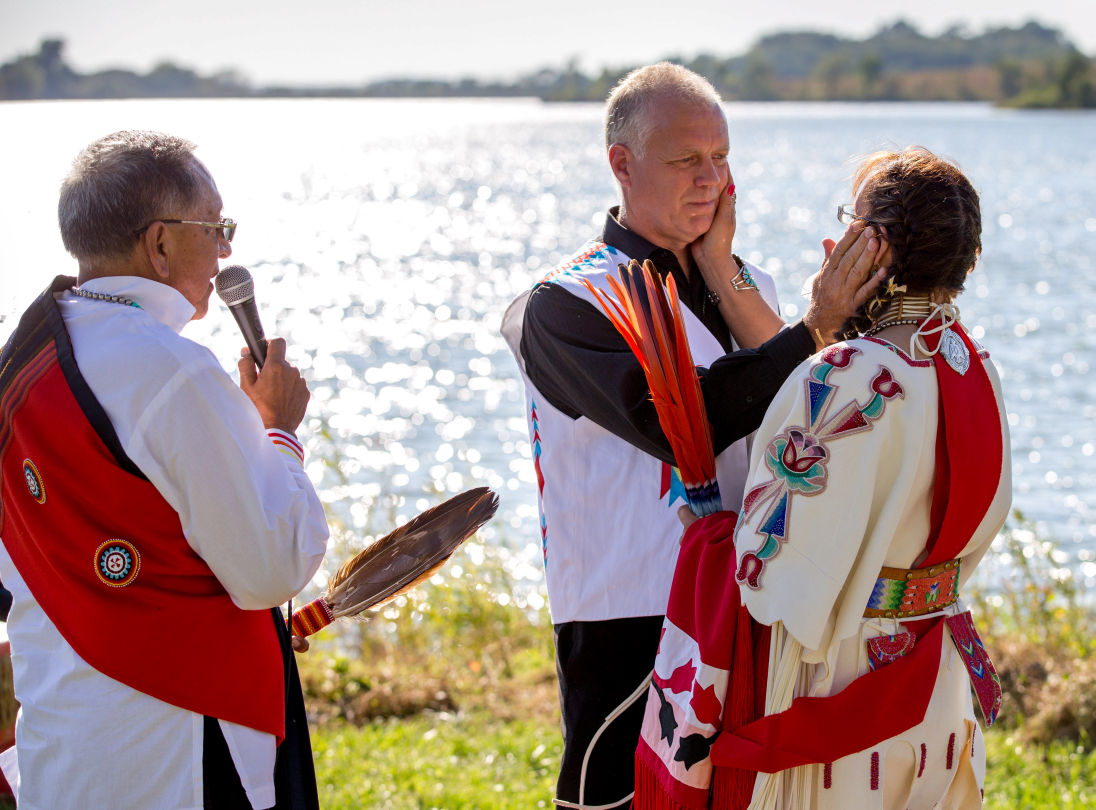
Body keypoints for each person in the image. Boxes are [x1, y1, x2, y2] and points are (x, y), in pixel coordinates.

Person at [500, 63, 884, 809]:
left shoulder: (752, 288)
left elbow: (812, 425)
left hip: (752, 600)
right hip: (628, 616)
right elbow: (680, 425)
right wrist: (813, 328)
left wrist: (733, 281)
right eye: (686, 161)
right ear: (622, 164)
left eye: (721, 158)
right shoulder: (567, 305)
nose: (711, 179)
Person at [642, 146, 1011, 809]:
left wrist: (708, 528)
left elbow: (766, 577)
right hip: (935, 676)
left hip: (847, 685)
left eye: (851, 224)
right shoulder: (975, 367)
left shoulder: (848, 376)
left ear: (873, 247)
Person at [0, 130, 329, 808]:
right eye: (216, 227)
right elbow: (268, 570)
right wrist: (278, 433)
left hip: (66, 728)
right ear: (159, 243)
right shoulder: (173, 371)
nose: (227, 250)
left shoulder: (20, 365)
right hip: (178, 741)